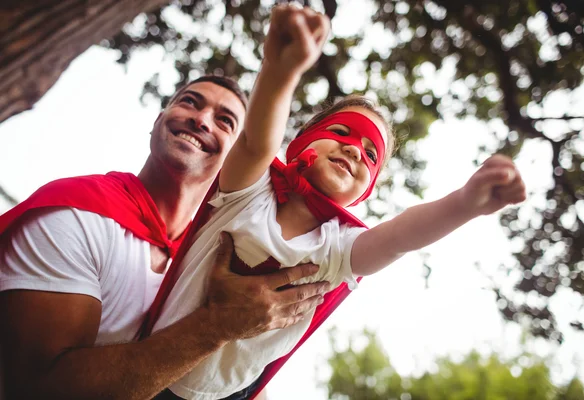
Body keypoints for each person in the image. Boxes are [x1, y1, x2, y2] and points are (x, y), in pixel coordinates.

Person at [143, 4, 528, 400]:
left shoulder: (338, 248)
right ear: (303, 142)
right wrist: (281, 69)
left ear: (365, 190)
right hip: (152, 367)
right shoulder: (246, 190)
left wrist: (465, 203)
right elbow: (257, 140)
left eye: (371, 154)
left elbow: (399, 237)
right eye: (342, 132)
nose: (355, 150)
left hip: (226, 395)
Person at [0, 45, 331, 400]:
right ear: (158, 120)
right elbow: (35, 389)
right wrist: (216, 325)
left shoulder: (217, 255)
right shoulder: (76, 215)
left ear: (237, 159)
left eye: (225, 121)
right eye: (189, 102)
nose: (201, 119)